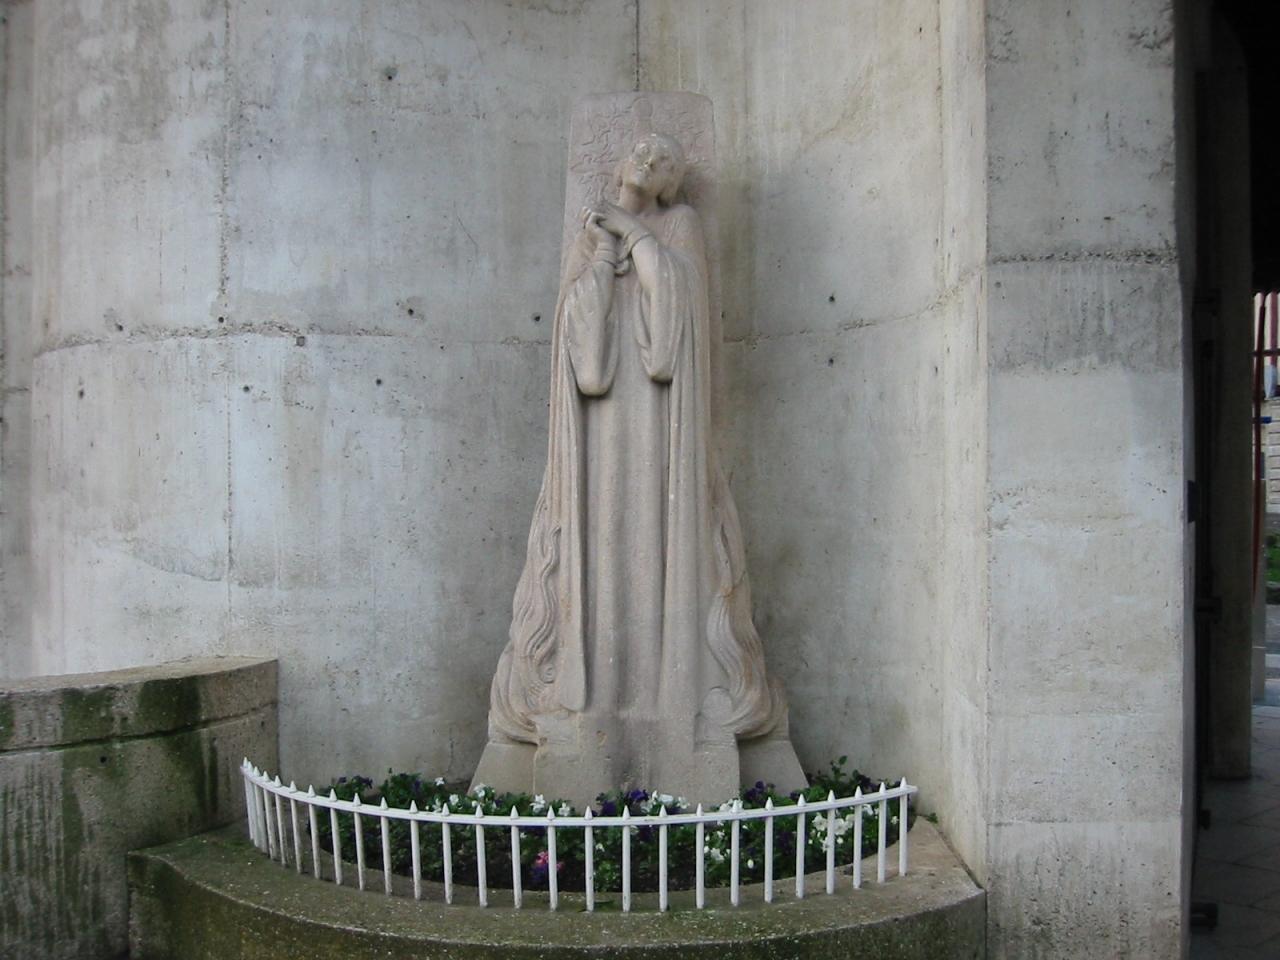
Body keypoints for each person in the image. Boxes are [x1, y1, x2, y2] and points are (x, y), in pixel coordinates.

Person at [473, 133, 804, 804]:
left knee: (662, 543)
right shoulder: (589, 230)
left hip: (665, 425)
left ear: (674, 181)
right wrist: (601, 254)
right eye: (643, 150)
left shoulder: (680, 225)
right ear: (623, 162)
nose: (650, 160)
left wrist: (635, 236)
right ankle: (589, 701)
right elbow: (581, 354)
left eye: (666, 159)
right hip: (598, 434)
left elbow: (678, 322)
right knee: (596, 547)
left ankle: (675, 702)